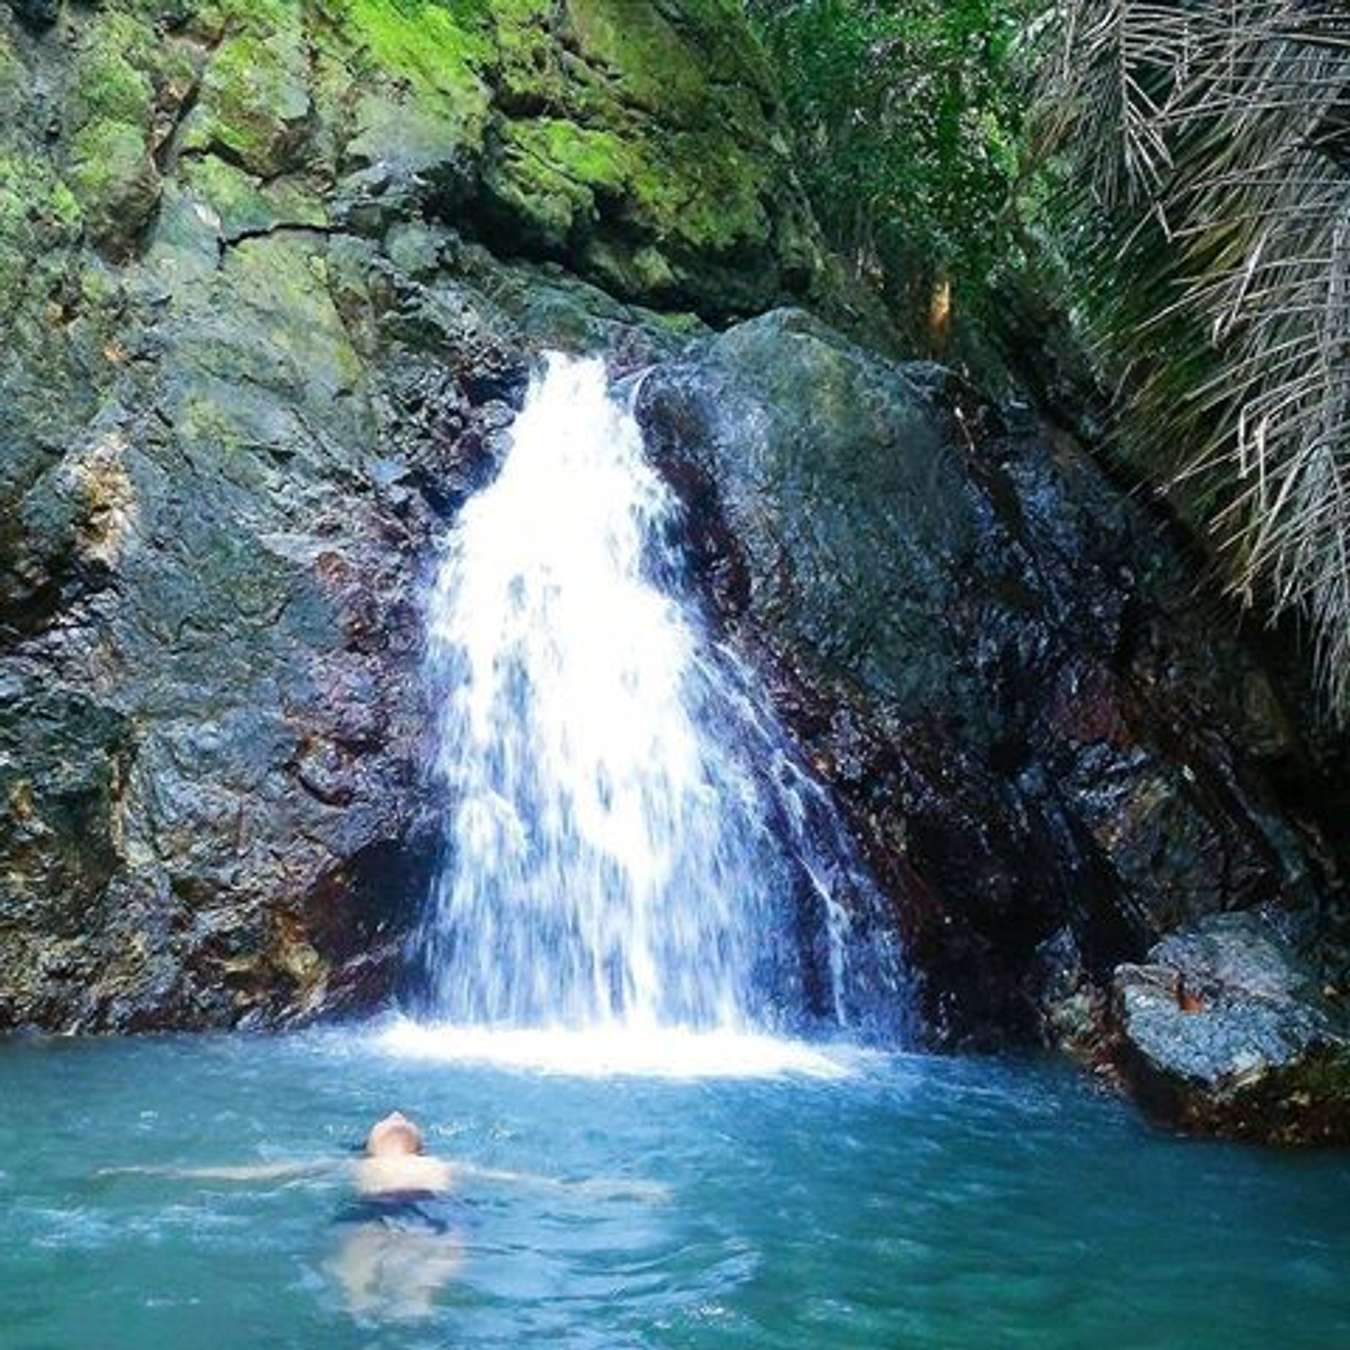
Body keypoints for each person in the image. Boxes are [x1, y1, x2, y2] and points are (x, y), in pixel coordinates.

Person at [99, 1110, 667, 1321]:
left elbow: (537, 1184)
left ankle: (408, 1317)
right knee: (356, 1294)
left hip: (443, 1211)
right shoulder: (347, 1168)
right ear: (370, 1147)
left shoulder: (446, 1163)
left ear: (414, 1146)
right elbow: (251, 1176)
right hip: (376, 1211)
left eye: (400, 1119)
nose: (394, 1116)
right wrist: (159, 1175)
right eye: (384, 1120)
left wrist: (613, 1190)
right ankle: (362, 1313)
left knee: (419, 1296)